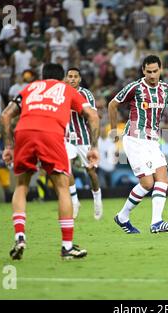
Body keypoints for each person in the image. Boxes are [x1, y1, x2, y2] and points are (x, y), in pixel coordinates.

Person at [0, 63, 99, 260]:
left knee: (21, 185)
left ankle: (20, 236)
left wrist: (8, 146)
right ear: (62, 78)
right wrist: (94, 147)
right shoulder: (67, 89)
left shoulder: (31, 88)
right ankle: (67, 247)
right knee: (62, 187)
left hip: (24, 132)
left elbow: (5, 115)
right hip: (52, 134)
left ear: (42, 76)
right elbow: (93, 115)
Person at [108, 55, 168, 234]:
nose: (152, 75)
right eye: (149, 71)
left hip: (152, 141)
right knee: (147, 183)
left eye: (155, 71)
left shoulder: (166, 90)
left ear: (161, 69)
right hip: (134, 139)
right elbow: (112, 105)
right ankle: (123, 217)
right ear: (143, 71)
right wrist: (114, 131)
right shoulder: (135, 88)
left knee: (162, 177)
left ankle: (155, 222)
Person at [64, 67, 103, 220]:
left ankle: (97, 200)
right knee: (66, 169)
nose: (72, 79)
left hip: (84, 138)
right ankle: (75, 202)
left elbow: (92, 117)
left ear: (79, 79)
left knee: (91, 172)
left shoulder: (86, 94)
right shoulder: (62, 93)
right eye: (70, 76)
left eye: (75, 76)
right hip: (67, 138)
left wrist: (95, 144)